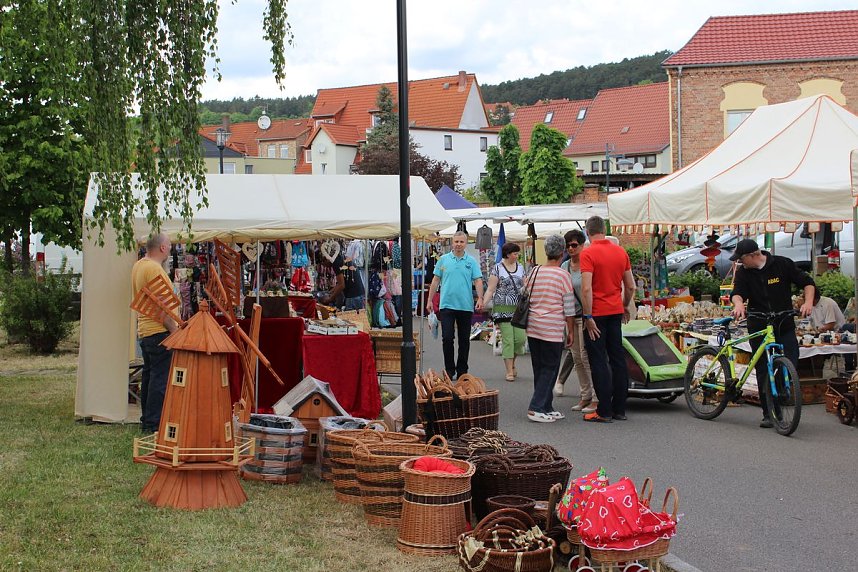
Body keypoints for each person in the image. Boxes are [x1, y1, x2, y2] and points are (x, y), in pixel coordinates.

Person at [730, 238, 814, 429]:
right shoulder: (744, 272)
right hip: (758, 323)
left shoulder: (782, 264)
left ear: (753, 256)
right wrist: (738, 304)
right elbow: (737, 292)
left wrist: (808, 302)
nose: (740, 263)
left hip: (783, 322)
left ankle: (783, 388)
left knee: (790, 359)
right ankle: (769, 413)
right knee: (763, 368)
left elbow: (807, 283)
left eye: (742, 259)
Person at [580, 216, 636, 423]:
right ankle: (620, 408)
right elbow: (631, 286)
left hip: (597, 313)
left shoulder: (588, 253)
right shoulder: (621, 252)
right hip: (615, 310)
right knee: (617, 358)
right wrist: (624, 305)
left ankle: (604, 410)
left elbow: (586, 288)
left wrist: (588, 316)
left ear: (588, 232)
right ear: (605, 230)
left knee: (598, 360)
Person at [524, 235, 577, 423]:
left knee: (540, 367)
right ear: (562, 252)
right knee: (550, 367)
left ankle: (546, 405)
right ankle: (536, 407)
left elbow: (526, 294)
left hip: (533, 326)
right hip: (552, 328)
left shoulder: (534, 272)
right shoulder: (563, 275)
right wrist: (571, 331)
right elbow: (569, 307)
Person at [131, 232, 179, 433]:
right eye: (169, 245)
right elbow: (162, 306)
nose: (170, 248)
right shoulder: (154, 269)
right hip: (159, 330)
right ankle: (154, 423)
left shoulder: (139, 265)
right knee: (160, 378)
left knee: (150, 377)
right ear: (162, 248)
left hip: (146, 330)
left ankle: (147, 420)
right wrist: (174, 330)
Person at [427, 231, 484, 380]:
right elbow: (435, 280)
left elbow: (478, 280)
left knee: (464, 339)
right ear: (452, 243)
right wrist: (429, 300)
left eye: (461, 242)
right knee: (447, 338)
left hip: (465, 306)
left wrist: (480, 298)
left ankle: (462, 370)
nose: (458, 244)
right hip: (447, 305)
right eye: (456, 241)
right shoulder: (444, 260)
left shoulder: (471, 261)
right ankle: (449, 369)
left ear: (466, 243)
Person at [553, 229, 596, 412]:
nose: (570, 248)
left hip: (586, 316)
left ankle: (595, 397)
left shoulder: (588, 263)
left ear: (582, 245)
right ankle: (584, 396)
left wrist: (590, 315)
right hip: (571, 316)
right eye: (568, 245)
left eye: (574, 245)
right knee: (576, 358)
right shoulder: (565, 267)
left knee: (586, 357)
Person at [481, 242, 527, 381]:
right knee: (508, 340)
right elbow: (491, 289)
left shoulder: (520, 268)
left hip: (518, 309)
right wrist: (484, 303)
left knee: (520, 339)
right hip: (502, 309)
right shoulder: (497, 268)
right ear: (508, 254)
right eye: (515, 253)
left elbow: (526, 285)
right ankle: (509, 371)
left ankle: (512, 363)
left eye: (518, 253)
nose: (517, 256)